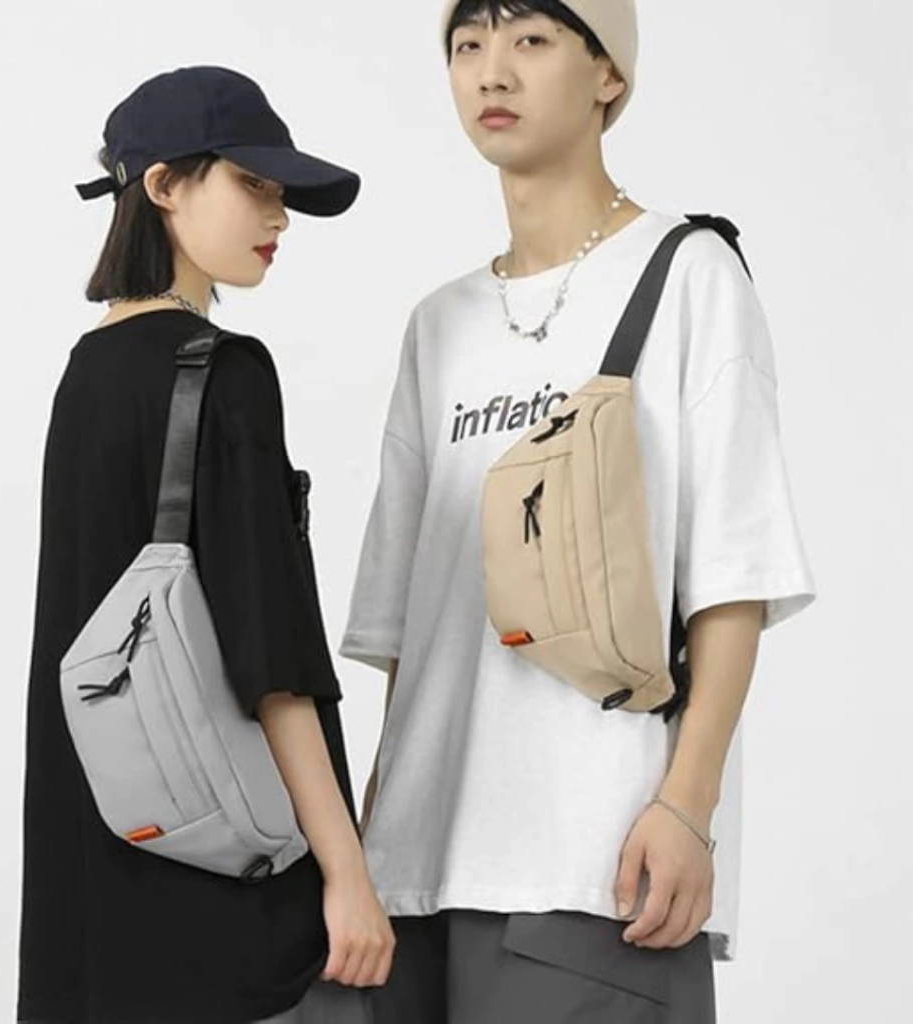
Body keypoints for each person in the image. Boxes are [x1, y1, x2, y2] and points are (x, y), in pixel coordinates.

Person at [340, 2, 815, 1022]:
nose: (490, 72)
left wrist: (687, 805)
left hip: (595, 867)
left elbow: (734, 575)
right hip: (414, 884)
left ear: (607, 76)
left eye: (531, 40)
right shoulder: (439, 326)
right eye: (467, 45)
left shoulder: (687, 275)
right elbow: (409, 631)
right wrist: (371, 849)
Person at [17, 65, 392, 1024]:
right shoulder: (223, 373)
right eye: (253, 183)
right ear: (164, 185)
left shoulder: (85, 374)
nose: (279, 215)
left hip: (102, 886)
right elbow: (272, 657)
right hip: (231, 900)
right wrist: (348, 873)